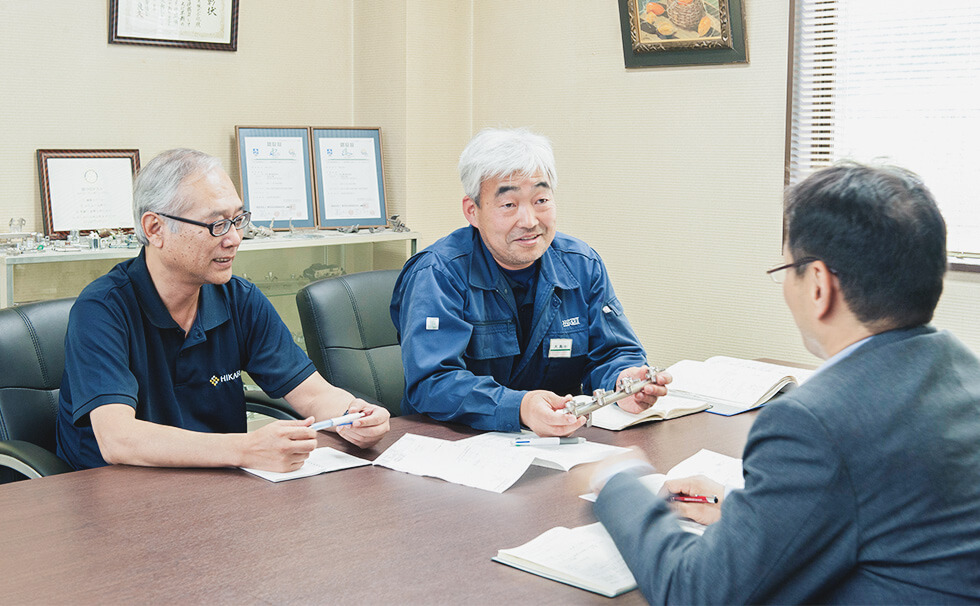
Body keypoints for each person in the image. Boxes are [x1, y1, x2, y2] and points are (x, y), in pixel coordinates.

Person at [591, 163, 980, 603]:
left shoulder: (813, 423)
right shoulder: (963, 371)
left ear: (818, 285)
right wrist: (746, 510)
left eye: (787, 268)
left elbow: (696, 592)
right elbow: (889, 507)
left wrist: (618, 480)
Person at [56, 149, 390, 472]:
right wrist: (246, 449)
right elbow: (118, 439)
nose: (234, 239)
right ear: (155, 229)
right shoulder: (102, 310)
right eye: (217, 224)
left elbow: (313, 394)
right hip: (116, 490)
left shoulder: (240, 300)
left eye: (238, 220)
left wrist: (353, 414)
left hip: (216, 482)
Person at [390, 128, 669, 437]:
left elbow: (612, 352)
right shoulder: (437, 273)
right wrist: (520, 407)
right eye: (509, 205)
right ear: (473, 211)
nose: (530, 221)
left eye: (541, 200)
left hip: (558, 442)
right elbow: (432, 382)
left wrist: (624, 382)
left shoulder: (581, 264)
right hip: (455, 442)